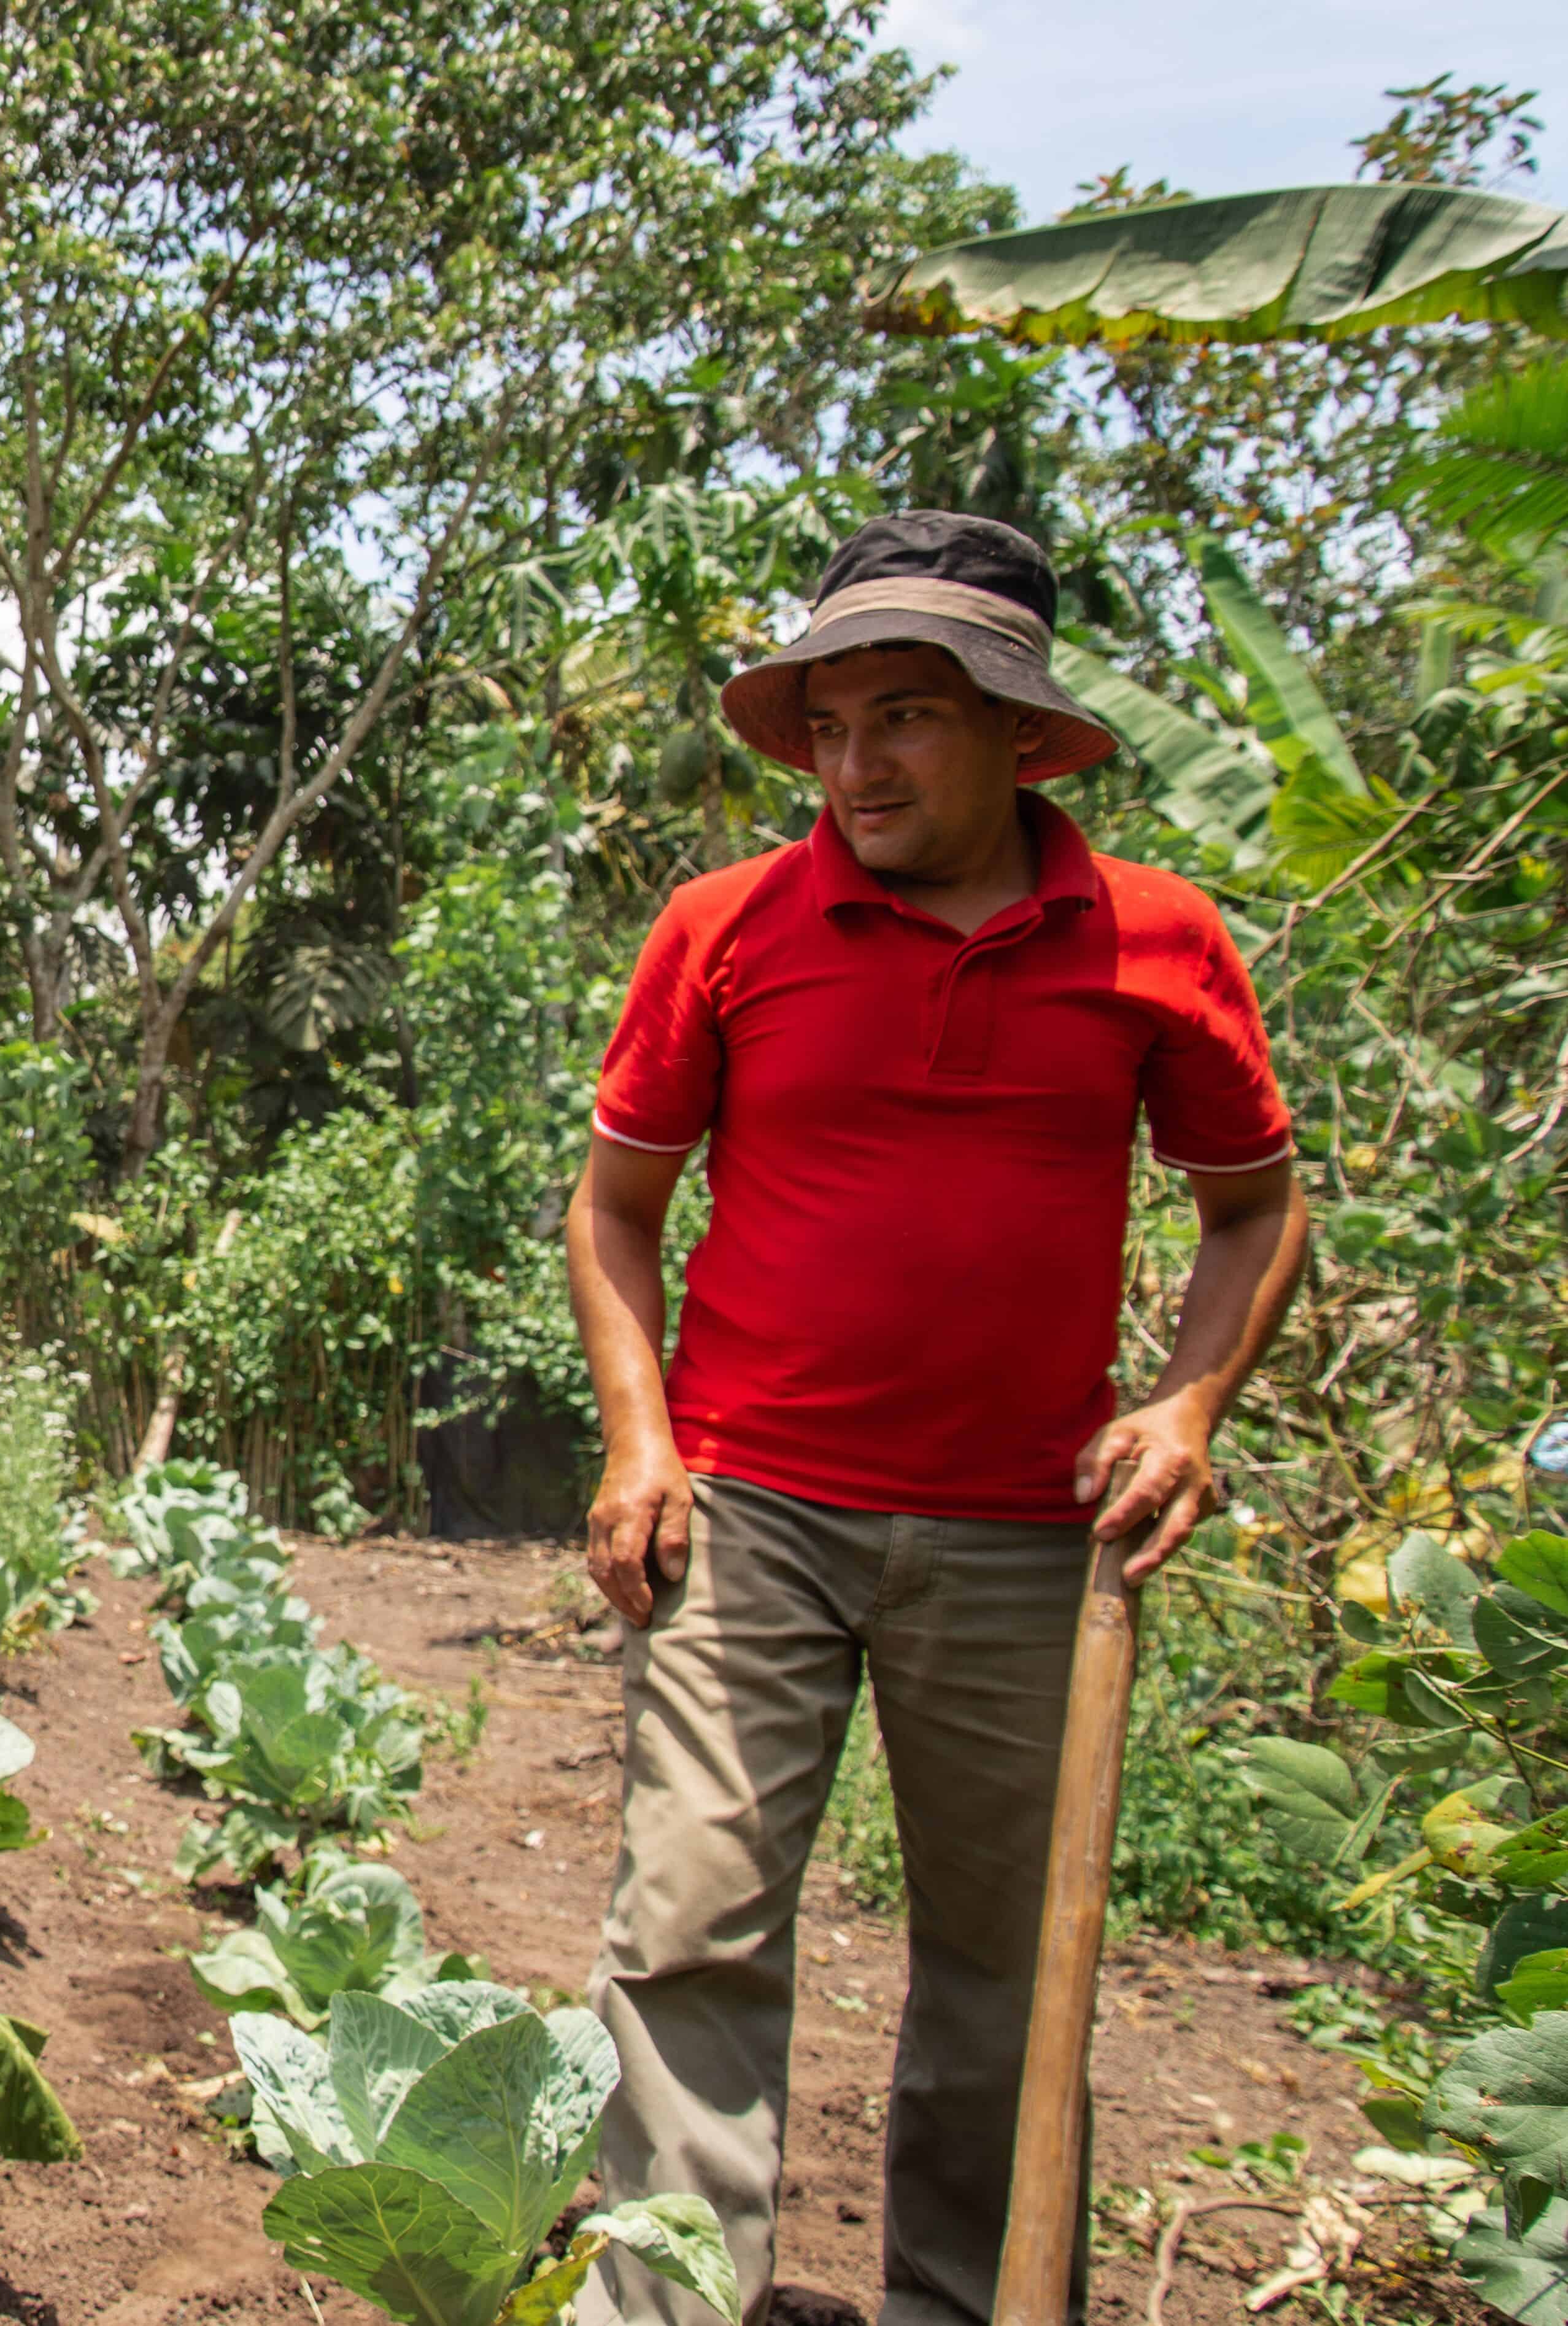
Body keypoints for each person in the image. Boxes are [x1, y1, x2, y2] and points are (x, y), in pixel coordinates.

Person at [564, 511, 1309, 2326]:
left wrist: (1189, 1402)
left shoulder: (1154, 941)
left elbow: (1252, 1202)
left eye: (899, 714)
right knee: (688, 1925)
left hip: (1024, 1531)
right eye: (824, 722)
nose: (852, 761)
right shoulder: (725, 927)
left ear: (1017, 734)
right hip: (750, 1503)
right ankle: (664, 2305)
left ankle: (967, 2303)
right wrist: (638, 1441)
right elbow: (613, 1206)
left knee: (1004, 1973)